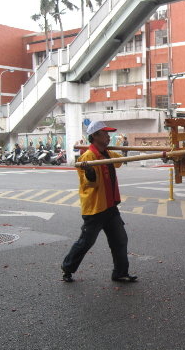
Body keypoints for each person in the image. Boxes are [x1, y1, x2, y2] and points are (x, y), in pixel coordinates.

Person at [61, 120, 137, 283]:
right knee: (86, 242)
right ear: (95, 136)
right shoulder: (88, 157)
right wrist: (89, 171)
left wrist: (125, 150)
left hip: (110, 207)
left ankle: (120, 273)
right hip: (95, 209)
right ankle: (67, 268)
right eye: (105, 133)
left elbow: (119, 163)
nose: (108, 136)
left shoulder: (106, 153)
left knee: (120, 239)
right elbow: (91, 184)